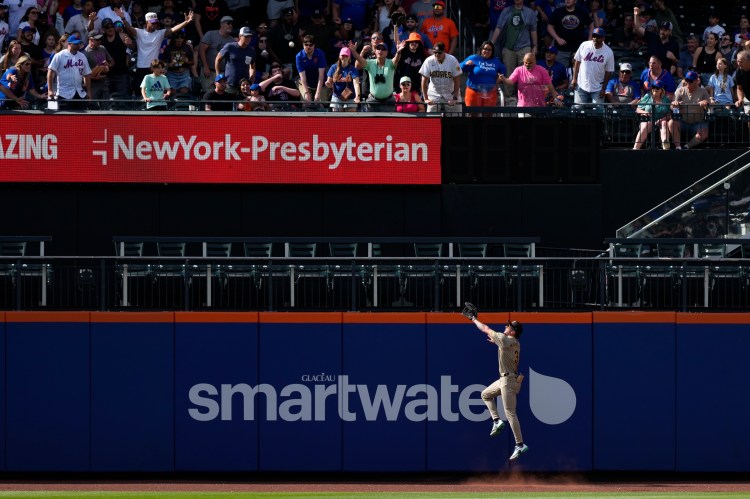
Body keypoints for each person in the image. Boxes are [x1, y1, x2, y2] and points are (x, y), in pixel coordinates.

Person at [470, 316, 528, 462]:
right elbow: (504, 346)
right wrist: (497, 342)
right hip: (507, 380)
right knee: (485, 394)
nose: (506, 326)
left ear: (513, 332)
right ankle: (496, 421)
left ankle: (520, 444)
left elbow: (485, 329)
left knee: (510, 413)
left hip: (508, 381)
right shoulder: (514, 342)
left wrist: (473, 319)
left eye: (509, 326)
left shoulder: (504, 338)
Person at [118, 8, 195, 97]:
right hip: (141, 67)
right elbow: (129, 28)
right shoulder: (139, 32)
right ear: (147, 22)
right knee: (140, 92)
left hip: (154, 68)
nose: (155, 25)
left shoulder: (160, 33)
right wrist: (123, 18)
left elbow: (173, 29)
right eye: (152, 23)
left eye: (156, 23)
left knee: (155, 93)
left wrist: (186, 22)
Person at [489, 0, 537, 97]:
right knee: (509, 74)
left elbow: (533, 30)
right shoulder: (506, 11)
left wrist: (535, 46)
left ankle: (524, 97)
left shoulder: (529, 12)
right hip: (508, 47)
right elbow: (498, 27)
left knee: (525, 73)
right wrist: (491, 43)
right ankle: (509, 98)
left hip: (524, 46)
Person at [351, 38, 403, 111]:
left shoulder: (391, 63)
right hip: (373, 101)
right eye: (378, 49)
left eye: (383, 49)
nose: (380, 51)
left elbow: (397, 59)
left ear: (387, 53)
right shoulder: (370, 63)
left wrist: (398, 52)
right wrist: (353, 51)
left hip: (388, 101)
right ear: (375, 51)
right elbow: (359, 60)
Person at [47, 34, 92, 109]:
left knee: (82, 115)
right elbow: (50, 72)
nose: (77, 46)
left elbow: (87, 74)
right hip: (64, 93)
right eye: (75, 44)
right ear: (69, 44)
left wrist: (89, 92)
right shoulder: (60, 55)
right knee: (65, 116)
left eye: (79, 43)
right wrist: (50, 90)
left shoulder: (82, 56)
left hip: (80, 93)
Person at [460, 40, 505, 115]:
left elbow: (503, 71)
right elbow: (459, 67)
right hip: (473, 91)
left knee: (488, 115)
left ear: (492, 51)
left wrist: (497, 81)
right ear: (481, 49)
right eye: (485, 49)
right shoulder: (474, 58)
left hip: (490, 92)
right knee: (472, 115)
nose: (487, 51)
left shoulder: (496, 61)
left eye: (489, 50)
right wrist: (465, 64)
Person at [571, 27, 614, 105]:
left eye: (598, 37)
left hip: (598, 88)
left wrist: (603, 88)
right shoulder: (584, 45)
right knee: (578, 109)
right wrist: (574, 79)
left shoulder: (608, 52)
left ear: (603, 38)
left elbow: (608, 72)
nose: (595, 38)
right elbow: (577, 61)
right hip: (581, 84)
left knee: (598, 110)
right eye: (594, 36)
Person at [669, 70, 709, 150]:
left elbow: (708, 103)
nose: (688, 82)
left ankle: (687, 146)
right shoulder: (680, 90)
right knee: (671, 123)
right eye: (687, 80)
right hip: (683, 122)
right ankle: (678, 147)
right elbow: (671, 106)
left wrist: (705, 102)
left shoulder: (703, 91)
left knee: (704, 133)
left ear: (696, 81)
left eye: (690, 81)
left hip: (698, 123)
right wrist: (675, 104)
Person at [546, 0, 593, 69]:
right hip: (561, 50)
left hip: (578, 49)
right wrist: (557, 38)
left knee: (578, 72)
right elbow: (549, 27)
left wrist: (589, 41)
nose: (567, 0)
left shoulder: (582, 12)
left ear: (575, 1)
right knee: (561, 72)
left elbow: (591, 26)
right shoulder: (558, 12)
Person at [419, 41, 461, 113]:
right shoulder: (429, 61)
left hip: (450, 93)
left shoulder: (452, 60)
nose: (437, 54)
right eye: (435, 52)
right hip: (434, 94)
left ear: (444, 51)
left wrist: (455, 97)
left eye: (439, 52)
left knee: (455, 116)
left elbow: (457, 80)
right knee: (431, 118)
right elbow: (424, 80)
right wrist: (426, 98)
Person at [198, 15, 234, 93]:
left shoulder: (232, 40)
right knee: (208, 93)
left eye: (232, 24)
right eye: (228, 23)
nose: (231, 25)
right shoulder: (210, 34)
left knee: (224, 94)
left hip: (223, 72)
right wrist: (205, 66)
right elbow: (201, 50)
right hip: (209, 71)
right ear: (221, 24)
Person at [215, 25, 255, 94]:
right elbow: (218, 59)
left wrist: (252, 77)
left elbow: (252, 66)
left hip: (244, 86)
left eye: (250, 36)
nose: (248, 38)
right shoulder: (230, 46)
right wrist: (218, 75)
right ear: (240, 36)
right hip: (230, 84)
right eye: (246, 36)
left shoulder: (251, 51)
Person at [633, 79, 671, 149]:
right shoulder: (647, 96)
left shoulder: (666, 100)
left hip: (661, 121)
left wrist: (661, 120)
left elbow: (669, 114)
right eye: (653, 87)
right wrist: (645, 112)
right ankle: (635, 148)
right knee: (646, 125)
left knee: (664, 123)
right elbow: (638, 109)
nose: (655, 89)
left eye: (657, 88)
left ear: (662, 90)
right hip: (648, 120)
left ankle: (665, 144)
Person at [325, 46, 361, 112]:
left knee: (351, 112)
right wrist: (328, 84)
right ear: (339, 56)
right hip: (337, 96)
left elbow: (356, 84)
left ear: (349, 57)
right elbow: (329, 81)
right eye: (343, 55)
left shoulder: (353, 69)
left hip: (350, 96)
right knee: (337, 114)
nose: (344, 57)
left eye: (346, 56)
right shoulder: (333, 67)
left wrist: (357, 96)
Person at [84, 29, 113, 107]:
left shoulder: (102, 48)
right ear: (90, 39)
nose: (99, 41)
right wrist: (94, 77)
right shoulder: (86, 53)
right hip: (93, 84)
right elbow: (84, 74)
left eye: (100, 39)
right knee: (95, 108)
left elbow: (112, 63)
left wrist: (108, 65)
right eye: (97, 39)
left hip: (104, 82)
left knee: (106, 107)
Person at [295, 34, 328, 104]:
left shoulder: (320, 54)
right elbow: (303, 77)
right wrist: (307, 93)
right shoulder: (299, 56)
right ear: (303, 45)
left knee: (321, 104)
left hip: (321, 84)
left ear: (314, 45)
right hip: (306, 83)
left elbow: (321, 75)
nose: (308, 47)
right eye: (306, 45)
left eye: (310, 45)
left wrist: (318, 92)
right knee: (306, 103)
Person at [161, 30, 194, 96]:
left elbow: (192, 62)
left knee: (184, 91)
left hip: (184, 73)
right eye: (177, 37)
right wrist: (169, 64)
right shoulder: (168, 47)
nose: (179, 39)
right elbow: (162, 62)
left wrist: (186, 61)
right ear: (173, 38)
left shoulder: (187, 47)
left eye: (181, 37)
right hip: (172, 73)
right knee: (172, 92)